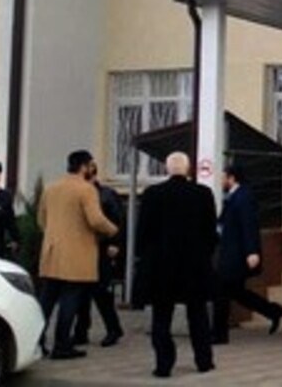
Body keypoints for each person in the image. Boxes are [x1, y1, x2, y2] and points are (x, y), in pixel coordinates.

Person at [134, 152, 218, 378]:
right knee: (198, 315)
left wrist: (146, 259)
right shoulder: (203, 194)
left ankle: (163, 365)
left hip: (161, 266)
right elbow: (211, 232)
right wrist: (204, 255)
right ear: (189, 169)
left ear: (167, 169)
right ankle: (204, 361)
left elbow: (143, 232)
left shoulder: (152, 194)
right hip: (194, 266)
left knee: (161, 316)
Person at [37, 150, 119, 360]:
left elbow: (41, 219)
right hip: (77, 253)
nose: (92, 169)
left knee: (46, 301)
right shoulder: (86, 189)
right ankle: (62, 345)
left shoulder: (51, 188)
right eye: (90, 165)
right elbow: (95, 220)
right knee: (70, 300)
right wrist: (112, 230)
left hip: (51, 252)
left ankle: (36, 342)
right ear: (84, 166)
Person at [212, 164, 282, 345]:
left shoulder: (243, 197)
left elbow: (249, 225)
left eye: (223, 176)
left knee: (221, 292)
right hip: (232, 250)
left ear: (231, 178)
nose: (220, 180)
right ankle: (273, 311)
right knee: (235, 292)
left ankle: (219, 334)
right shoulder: (235, 196)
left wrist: (252, 251)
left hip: (237, 253)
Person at [72, 159, 126, 348]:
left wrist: (115, 243)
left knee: (101, 291)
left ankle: (113, 328)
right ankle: (81, 331)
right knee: (81, 292)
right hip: (80, 247)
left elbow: (118, 220)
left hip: (101, 247)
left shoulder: (107, 194)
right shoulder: (76, 193)